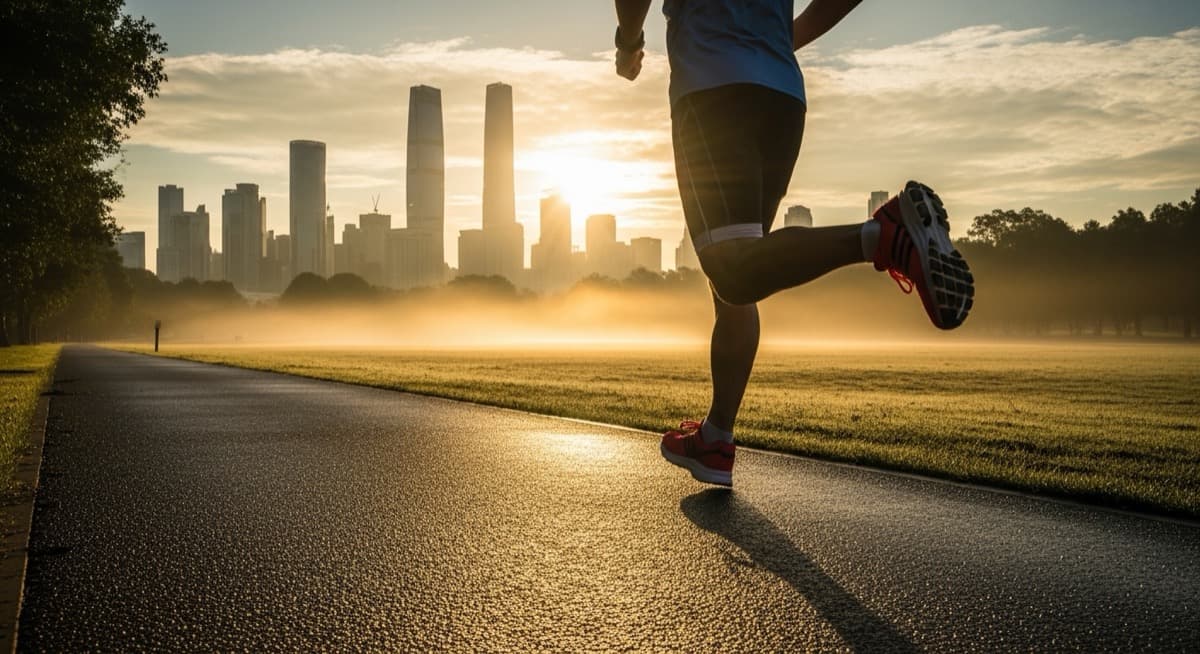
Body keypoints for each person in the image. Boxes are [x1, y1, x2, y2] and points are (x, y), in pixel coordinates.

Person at [612, 0, 975, 486]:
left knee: (733, 269)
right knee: (741, 271)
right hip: (782, 95)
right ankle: (716, 437)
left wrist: (628, 42)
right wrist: (780, 38)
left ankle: (883, 237)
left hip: (713, 85)